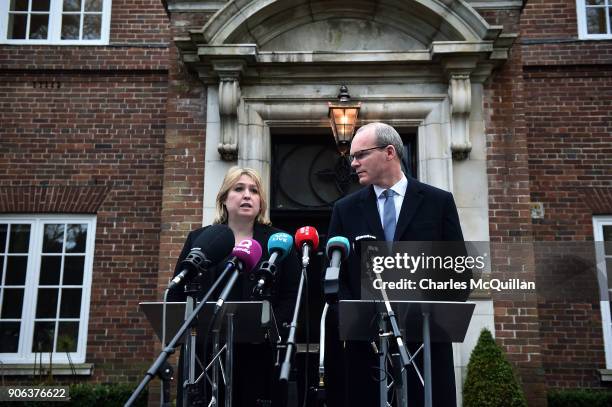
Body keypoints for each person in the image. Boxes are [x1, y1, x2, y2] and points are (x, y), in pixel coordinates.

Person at [326, 122, 467, 406]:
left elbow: (459, 275)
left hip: (426, 349)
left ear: (389, 152)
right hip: (367, 351)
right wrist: (354, 319)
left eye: (360, 155)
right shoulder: (345, 209)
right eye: (353, 157)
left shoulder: (438, 202)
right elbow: (334, 278)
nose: (353, 163)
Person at [168, 167, 300, 407]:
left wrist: (268, 329)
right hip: (204, 355)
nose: (247, 195)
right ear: (224, 200)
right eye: (238, 189)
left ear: (261, 202)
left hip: (259, 355)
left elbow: (292, 297)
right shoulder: (200, 239)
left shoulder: (280, 242)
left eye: (254, 191)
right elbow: (178, 293)